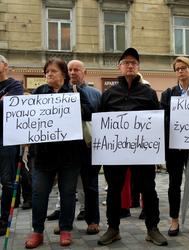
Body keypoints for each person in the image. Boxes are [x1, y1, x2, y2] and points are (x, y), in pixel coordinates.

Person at [98, 47, 167, 246]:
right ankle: (113, 228)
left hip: (143, 153)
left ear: (138, 67)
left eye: (133, 63)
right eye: (126, 62)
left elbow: (157, 122)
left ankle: (152, 229)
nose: (130, 65)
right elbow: (102, 122)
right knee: (113, 190)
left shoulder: (148, 93)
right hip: (115, 154)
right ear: (119, 67)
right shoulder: (109, 94)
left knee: (149, 189)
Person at [24, 58, 93, 248]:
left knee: (68, 194)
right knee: (39, 194)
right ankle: (37, 231)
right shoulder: (39, 92)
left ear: (63, 74)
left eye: (53, 71)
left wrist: (74, 106)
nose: (49, 74)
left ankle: (65, 230)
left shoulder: (75, 92)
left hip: (69, 156)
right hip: (43, 156)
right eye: (47, 71)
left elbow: (90, 112)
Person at [160, 56, 189, 237]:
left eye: (184, 68)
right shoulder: (168, 94)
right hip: (175, 146)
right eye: (177, 69)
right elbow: (163, 118)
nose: (181, 71)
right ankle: (174, 220)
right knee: (174, 184)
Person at [67, 59, 101, 234]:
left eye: (77, 69)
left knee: (91, 186)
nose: (73, 72)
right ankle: (65, 223)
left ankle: (93, 220)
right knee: (67, 188)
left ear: (84, 72)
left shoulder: (95, 94)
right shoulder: (61, 91)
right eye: (70, 69)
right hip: (67, 149)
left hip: (89, 147)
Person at [0, 55, 24, 236]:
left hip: (6, 140)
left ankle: (3, 221)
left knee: (7, 181)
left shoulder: (14, 85)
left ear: (5, 66)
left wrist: (5, 104)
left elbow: (11, 108)